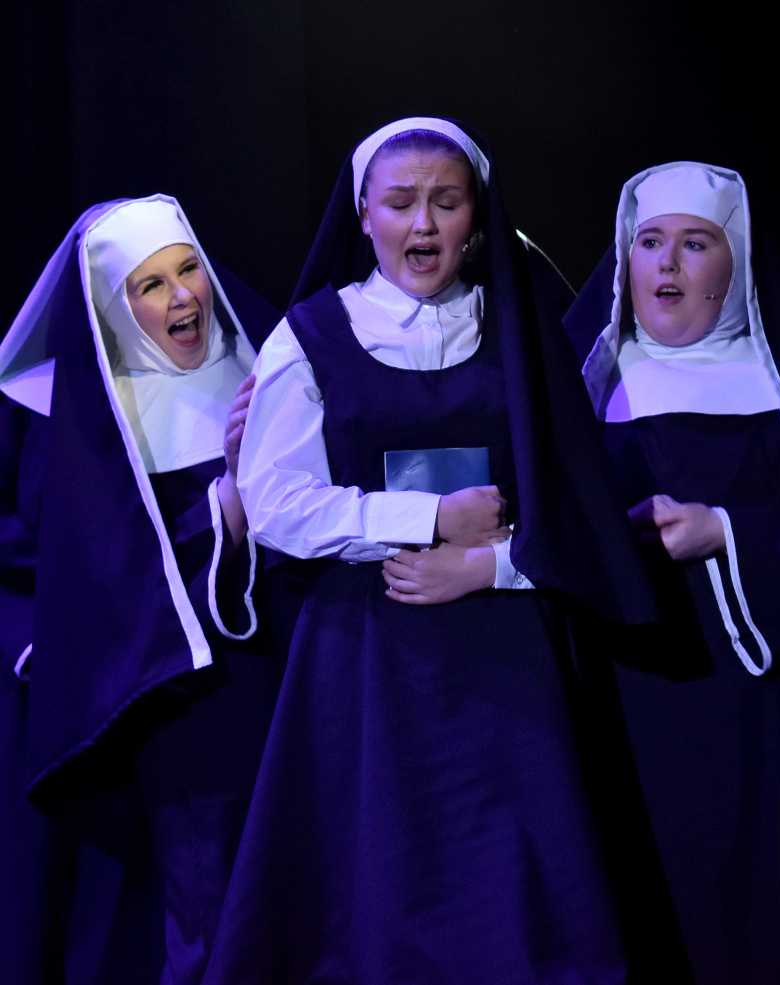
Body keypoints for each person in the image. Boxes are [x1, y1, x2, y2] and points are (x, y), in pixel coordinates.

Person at [203, 118, 681, 985]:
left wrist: (487, 564)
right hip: (365, 657)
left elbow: (579, 512)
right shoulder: (311, 335)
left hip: (508, 665)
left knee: (515, 904)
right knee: (373, 897)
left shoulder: (523, 335)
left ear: (477, 217)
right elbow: (274, 503)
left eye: (446, 201)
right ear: (363, 215)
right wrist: (429, 517)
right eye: (400, 202)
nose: (422, 224)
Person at [562, 162, 780, 985]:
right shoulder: (584, 391)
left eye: (696, 243)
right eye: (649, 242)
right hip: (622, 701)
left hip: (761, 709)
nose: (667, 263)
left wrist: (725, 532)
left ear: (734, 267)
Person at [0, 195, 297, 985]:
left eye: (188, 268)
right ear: (113, 309)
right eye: (151, 285)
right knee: (208, 902)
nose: (183, 296)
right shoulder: (84, 427)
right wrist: (224, 509)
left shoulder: (267, 374)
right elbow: (94, 567)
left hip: (289, 677)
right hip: (179, 699)